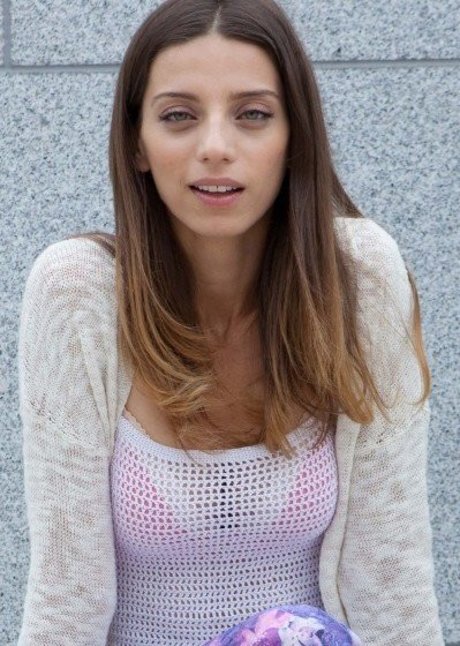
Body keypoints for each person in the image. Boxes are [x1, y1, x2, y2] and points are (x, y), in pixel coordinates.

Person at [16, 0, 444, 644]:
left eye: (253, 114)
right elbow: (66, 596)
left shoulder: (360, 278)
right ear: (137, 143)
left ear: (294, 138)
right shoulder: (78, 293)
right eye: (179, 116)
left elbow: (392, 577)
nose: (215, 148)